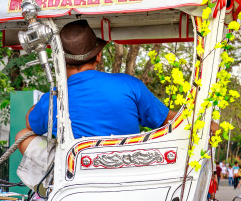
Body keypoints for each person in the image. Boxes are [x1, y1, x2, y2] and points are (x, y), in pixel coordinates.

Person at [15, 21, 173, 171]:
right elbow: (168, 120)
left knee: (22, 135)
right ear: (98, 56)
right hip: (127, 171)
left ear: (61, 61)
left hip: (75, 173)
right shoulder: (130, 84)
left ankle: (53, 185)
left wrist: (48, 100)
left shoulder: (55, 97)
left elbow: (29, 122)